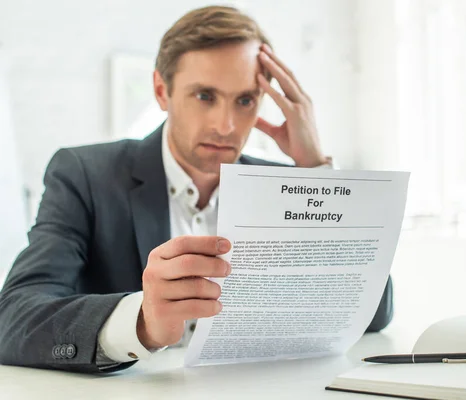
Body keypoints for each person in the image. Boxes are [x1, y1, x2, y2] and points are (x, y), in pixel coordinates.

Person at [0, 5, 394, 373]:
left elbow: (375, 313)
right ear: (161, 91)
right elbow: (12, 317)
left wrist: (314, 172)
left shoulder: (286, 187)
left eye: (245, 100)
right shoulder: (85, 175)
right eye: (205, 96)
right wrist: (141, 322)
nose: (226, 125)